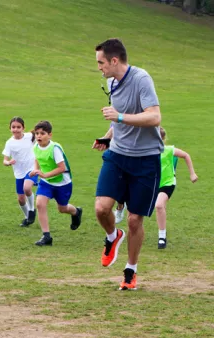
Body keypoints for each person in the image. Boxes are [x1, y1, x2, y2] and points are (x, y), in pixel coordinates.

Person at [93, 38, 163, 291]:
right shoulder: (111, 82)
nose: (99, 67)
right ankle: (113, 236)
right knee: (101, 209)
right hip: (118, 155)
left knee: (135, 220)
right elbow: (117, 121)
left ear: (114, 60)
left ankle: (131, 270)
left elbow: (155, 117)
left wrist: (120, 117)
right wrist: (108, 136)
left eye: (101, 63)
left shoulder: (142, 79)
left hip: (145, 159)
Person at [29, 121, 83, 246]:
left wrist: (45, 174)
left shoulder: (55, 149)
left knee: (62, 208)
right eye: (37, 133)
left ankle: (76, 212)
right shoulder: (36, 147)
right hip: (46, 182)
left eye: (42, 133)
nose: (39, 136)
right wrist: (36, 170)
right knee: (40, 204)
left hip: (62, 183)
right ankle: (46, 236)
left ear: (50, 135)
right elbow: (37, 159)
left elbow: (62, 168)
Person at [154, 127, 198, 249]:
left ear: (162, 139)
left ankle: (162, 237)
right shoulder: (147, 151)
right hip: (152, 184)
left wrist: (192, 173)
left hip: (168, 183)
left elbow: (186, 155)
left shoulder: (169, 150)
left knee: (158, 205)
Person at [2, 117, 38, 227]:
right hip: (19, 172)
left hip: (31, 168)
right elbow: (5, 160)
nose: (16, 129)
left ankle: (32, 209)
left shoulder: (30, 137)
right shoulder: (9, 143)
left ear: (23, 128)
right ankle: (28, 218)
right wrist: (8, 162)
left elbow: (41, 137)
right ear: (10, 128)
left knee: (27, 188)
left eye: (18, 127)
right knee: (21, 199)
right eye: (13, 127)